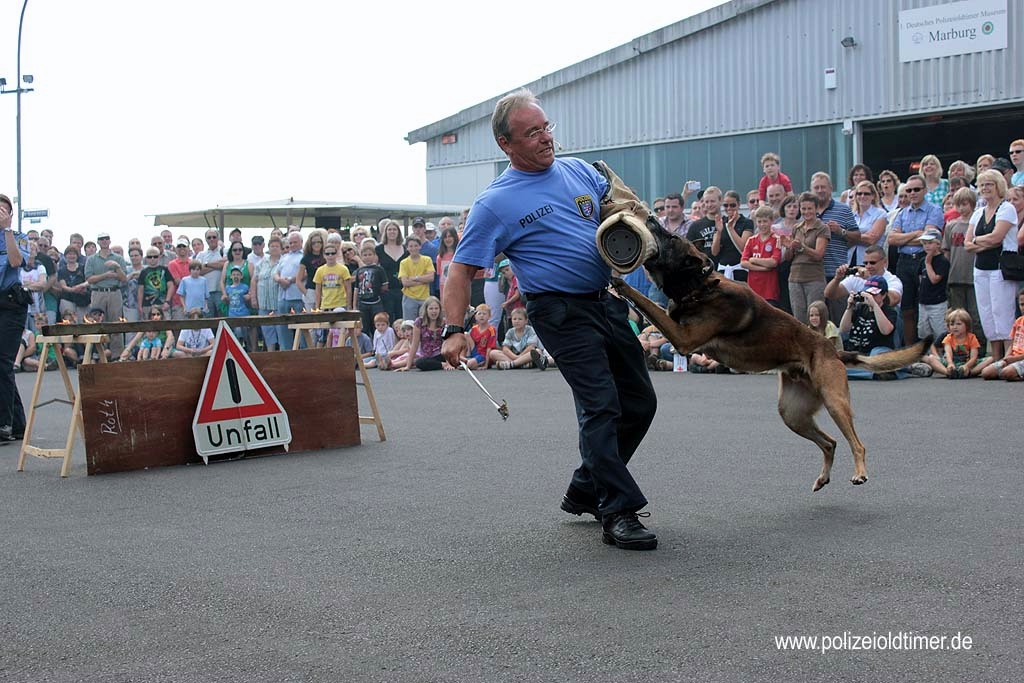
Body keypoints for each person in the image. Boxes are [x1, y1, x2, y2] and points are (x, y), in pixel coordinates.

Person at [441, 89, 658, 551]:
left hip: (605, 300)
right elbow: (460, 269)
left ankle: (586, 487)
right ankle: (617, 510)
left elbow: (620, 213)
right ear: (507, 144)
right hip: (559, 312)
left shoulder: (580, 170)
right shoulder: (495, 203)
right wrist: (455, 329)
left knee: (640, 402)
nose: (545, 138)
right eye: (532, 132)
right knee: (602, 404)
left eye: (547, 128)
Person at [965, 169, 1019, 361]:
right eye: (982, 184)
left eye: (989, 184)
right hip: (980, 269)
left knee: (1002, 311)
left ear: (998, 186)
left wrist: (977, 241)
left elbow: (998, 237)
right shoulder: (978, 212)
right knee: (987, 313)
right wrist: (983, 242)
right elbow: (967, 243)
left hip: (1000, 268)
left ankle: (1008, 357)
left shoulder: (1006, 209)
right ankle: (995, 358)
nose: (985, 188)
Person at [888, 173, 945, 345]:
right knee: (906, 309)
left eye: (916, 189)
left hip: (924, 259)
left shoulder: (934, 210)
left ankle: (931, 351)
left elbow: (929, 239)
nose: (912, 193)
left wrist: (904, 237)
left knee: (925, 307)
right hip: (904, 261)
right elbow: (891, 239)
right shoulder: (902, 213)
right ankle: (910, 350)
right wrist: (916, 234)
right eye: (909, 190)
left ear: (925, 190)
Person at [942, 187, 986, 351]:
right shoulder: (951, 225)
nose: (961, 208)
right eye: (957, 205)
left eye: (964, 204)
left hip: (974, 276)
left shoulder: (977, 224)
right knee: (957, 317)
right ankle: (959, 349)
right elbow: (946, 250)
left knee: (975, 316)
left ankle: (979, 349)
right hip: (955, 276)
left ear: (973, 204)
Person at [0, 193, 29, 442]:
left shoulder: (18, 236)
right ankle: (18, 423)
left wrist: (7, 230)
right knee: (2, 366)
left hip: (11, 305)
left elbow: (16, 261)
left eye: (3, 209)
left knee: (3, 362)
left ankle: (4, 424)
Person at [780, 192, 829, 323]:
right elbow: (789, 257)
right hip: (795, 277)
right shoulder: (797, 227)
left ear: (816, 209)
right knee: (798, 318)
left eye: (809, 208)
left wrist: (801, 247)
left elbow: (819, 254)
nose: (806, 212)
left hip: (813, 277)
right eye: (803, 208)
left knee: (816, 316)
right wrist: (789, 247)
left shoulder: (822, 228)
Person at [839, 275, 899, 380]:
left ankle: (864, 372)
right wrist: (849, 308)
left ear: (884, 295)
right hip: (858, 354)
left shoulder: (890, 311)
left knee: (878, 356)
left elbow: (886, 331)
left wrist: (875, 306)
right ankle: (873, 373)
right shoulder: (860, 309)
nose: (869, 296)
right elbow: (844, 329)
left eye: (873, 294)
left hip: (877, 353)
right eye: (867, 293)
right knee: (838, 362)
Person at [84, 232, 128, 356]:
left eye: (106, 238)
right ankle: (100, 353)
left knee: (116, 324)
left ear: (109, 240)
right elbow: (89, 279)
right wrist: (107, 275)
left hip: (114, 292)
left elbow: (124, 278)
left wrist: (116, 268)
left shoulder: (118, 258)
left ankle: (117, 355)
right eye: (101, 239)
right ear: (98, 242)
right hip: (98, 292)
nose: (104, 241)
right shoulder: (92, 259)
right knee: (97, 324)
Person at [976, 290, 1024, 381]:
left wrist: (1015, 359)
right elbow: (1013, 344)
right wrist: (1006, 358)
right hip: (1013, 357)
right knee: (986, 372)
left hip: (1021, 358)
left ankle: (1014, 373)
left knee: (1007, 373)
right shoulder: (1018, 321)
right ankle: (1013, 371)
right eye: (1022, 305)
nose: (1023, 308)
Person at [920, 308, 981, 378]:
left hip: (968, 363)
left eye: (958, 324)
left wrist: (966, 366)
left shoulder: (972, 337)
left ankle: (970, 373)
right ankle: (948, 372)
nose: (955, 327)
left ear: (967, 326)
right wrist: (950, 364)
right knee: (931, 358)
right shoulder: (948, 338)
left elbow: (974, 357)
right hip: (951, 363)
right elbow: (948, 353)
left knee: (990, 359)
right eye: (952, 324)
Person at [740, 205, 782, 305]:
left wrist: (754, 260)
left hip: (769, 290)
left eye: (765, 221)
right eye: (759, 221)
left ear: (771, 221)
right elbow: (743, 262)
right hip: (753, 289)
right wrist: (763, 268)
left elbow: (773, 262)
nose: (762, 224)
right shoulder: (751, 240)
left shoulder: (776, 239)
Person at [916, 228, 949, 346]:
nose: (927, 246)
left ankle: (941, 355)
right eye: (924, 244)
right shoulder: (922, 261)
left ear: (938, 243)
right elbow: (921, 279)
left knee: (939, 332)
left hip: (937, 303)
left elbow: (935, 279)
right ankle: (929, 355)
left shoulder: (942, 261)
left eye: (930, 243)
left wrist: (928, 264)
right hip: (924, 302)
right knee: (924, 332)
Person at [712, 190, 753, 282]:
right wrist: (718, 232)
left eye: (732, 205)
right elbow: (714, 252)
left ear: (738, 204)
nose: (729, 208)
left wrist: (730, 228)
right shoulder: (721, 221)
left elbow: (743, 248)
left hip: (740, 270)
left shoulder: (747, 222)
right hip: (723, 269)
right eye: (726, 205)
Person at [399, 295, 447, 371]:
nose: (434, 311)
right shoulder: (419, 322)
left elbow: (446, 343)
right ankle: (441, 365)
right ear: (426, 310)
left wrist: (448, 362)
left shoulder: (444, 322)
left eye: (436, 308)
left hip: (440, 354)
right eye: (431, 309)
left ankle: (442, 364)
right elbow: (415, 345)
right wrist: (407, 366)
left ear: (439, 310)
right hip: (426, 356)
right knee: (419, 363)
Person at [251, 236, 282, 351]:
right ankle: (270, 352)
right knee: (267, 330)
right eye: (272, 246)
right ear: (268, 247)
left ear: (281, 248)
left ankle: (282, 352)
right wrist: (253, 298)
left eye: (277, 246)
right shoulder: (261, 263)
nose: (274, 248)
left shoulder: (283, 262)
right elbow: (254, 280)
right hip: (263, 303)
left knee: (280, 330)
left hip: (277, 303)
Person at [847, 180, 888, 265]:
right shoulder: (850, 215)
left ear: (873, 196)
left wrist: (849, 236)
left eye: (866, 194)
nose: (862, 196)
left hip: (871, 262)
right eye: (859, 194)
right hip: (849, 259)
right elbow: (842, 239)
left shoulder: (880, 214)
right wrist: (863, 236)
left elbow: (871, 239)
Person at [375, 219, 406, 323]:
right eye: (389, 229)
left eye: (394, 229)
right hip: (386, 291)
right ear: (385, 232)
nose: (392, 232)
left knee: (401, 319)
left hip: (403, 290)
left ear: (398, 232)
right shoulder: (379, 249)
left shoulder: (406, 249)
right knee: (388, 319)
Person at [398, 235, 435, 321]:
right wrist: (423, 280)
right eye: (410, 246)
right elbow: (405, 283)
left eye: (416, 245)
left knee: (425, 323)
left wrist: (415, 278)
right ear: (407, 248)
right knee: (409, 324)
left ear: (420, 246)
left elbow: (431, 278)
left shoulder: (427, 260)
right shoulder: (404, 263)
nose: (413, 248)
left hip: (424, 297)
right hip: (409, 297)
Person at [313, 243, 352, 312]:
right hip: (325, 305)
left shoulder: (343, 269)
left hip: (340, 304)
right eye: (327, 254)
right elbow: (318, 291)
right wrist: (317, 307)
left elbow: (348, 289)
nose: (330, 256)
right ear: (324, 255)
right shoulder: (320, 270)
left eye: (333, 253)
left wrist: (349, 305)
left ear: (336, 254)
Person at [56, 245, 91, 323]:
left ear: (77, 255)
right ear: (65, 256)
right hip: (67, 299)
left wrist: (82, 286)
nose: (72, 256)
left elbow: (88, 281)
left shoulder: (83, 268)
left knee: (84, 323)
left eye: (74, 254)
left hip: (83, 300)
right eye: (69, 254)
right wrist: (74, 289)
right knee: (70, 323)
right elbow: (63, 286)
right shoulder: (62, 270)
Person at [197, 230, 226, 318]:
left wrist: (206, 264)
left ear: (218, 238)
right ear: (206, 240)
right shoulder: (201, 254)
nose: (212, 239)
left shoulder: (224, 250)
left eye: (214, 237)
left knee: (222, 317)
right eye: (209, 237)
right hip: (206, 292)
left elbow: (225, 264)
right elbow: (198, 270)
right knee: (208, 318)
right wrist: (217, 265)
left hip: (220, 291)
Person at [224, 266, 251, 344]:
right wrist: (225, 299)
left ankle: (246, 347)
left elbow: (249, 297)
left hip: (243, 313)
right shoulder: (228, 288)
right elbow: (226, 301)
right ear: (231, 276)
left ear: (241, 276)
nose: (236, 276)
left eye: (238, 274)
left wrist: (248, 297)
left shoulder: (245, 287)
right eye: (234, 274)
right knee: (237, 331)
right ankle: (239, 345)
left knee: (245, 332)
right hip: (233, 314)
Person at [465, 303, 497, 370]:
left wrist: (486, 365)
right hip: (475, 352)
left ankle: (478, 363)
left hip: (483, 355)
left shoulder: (491, 330)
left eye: (484, 314)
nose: (481, 316)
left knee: (469, 364)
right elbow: (469, 343)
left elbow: (489, 348)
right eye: (479, 314)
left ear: (489, 316)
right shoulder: (474, 328)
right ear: (475, 316)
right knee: (466, 334)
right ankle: (468, 357)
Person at [435, 227, 459, 302]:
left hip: (458, 288)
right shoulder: (439, 257)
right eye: (445, 237)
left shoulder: (459, 255)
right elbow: (440, 275)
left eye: (450, 236)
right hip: (445, 290)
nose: (448, 239)